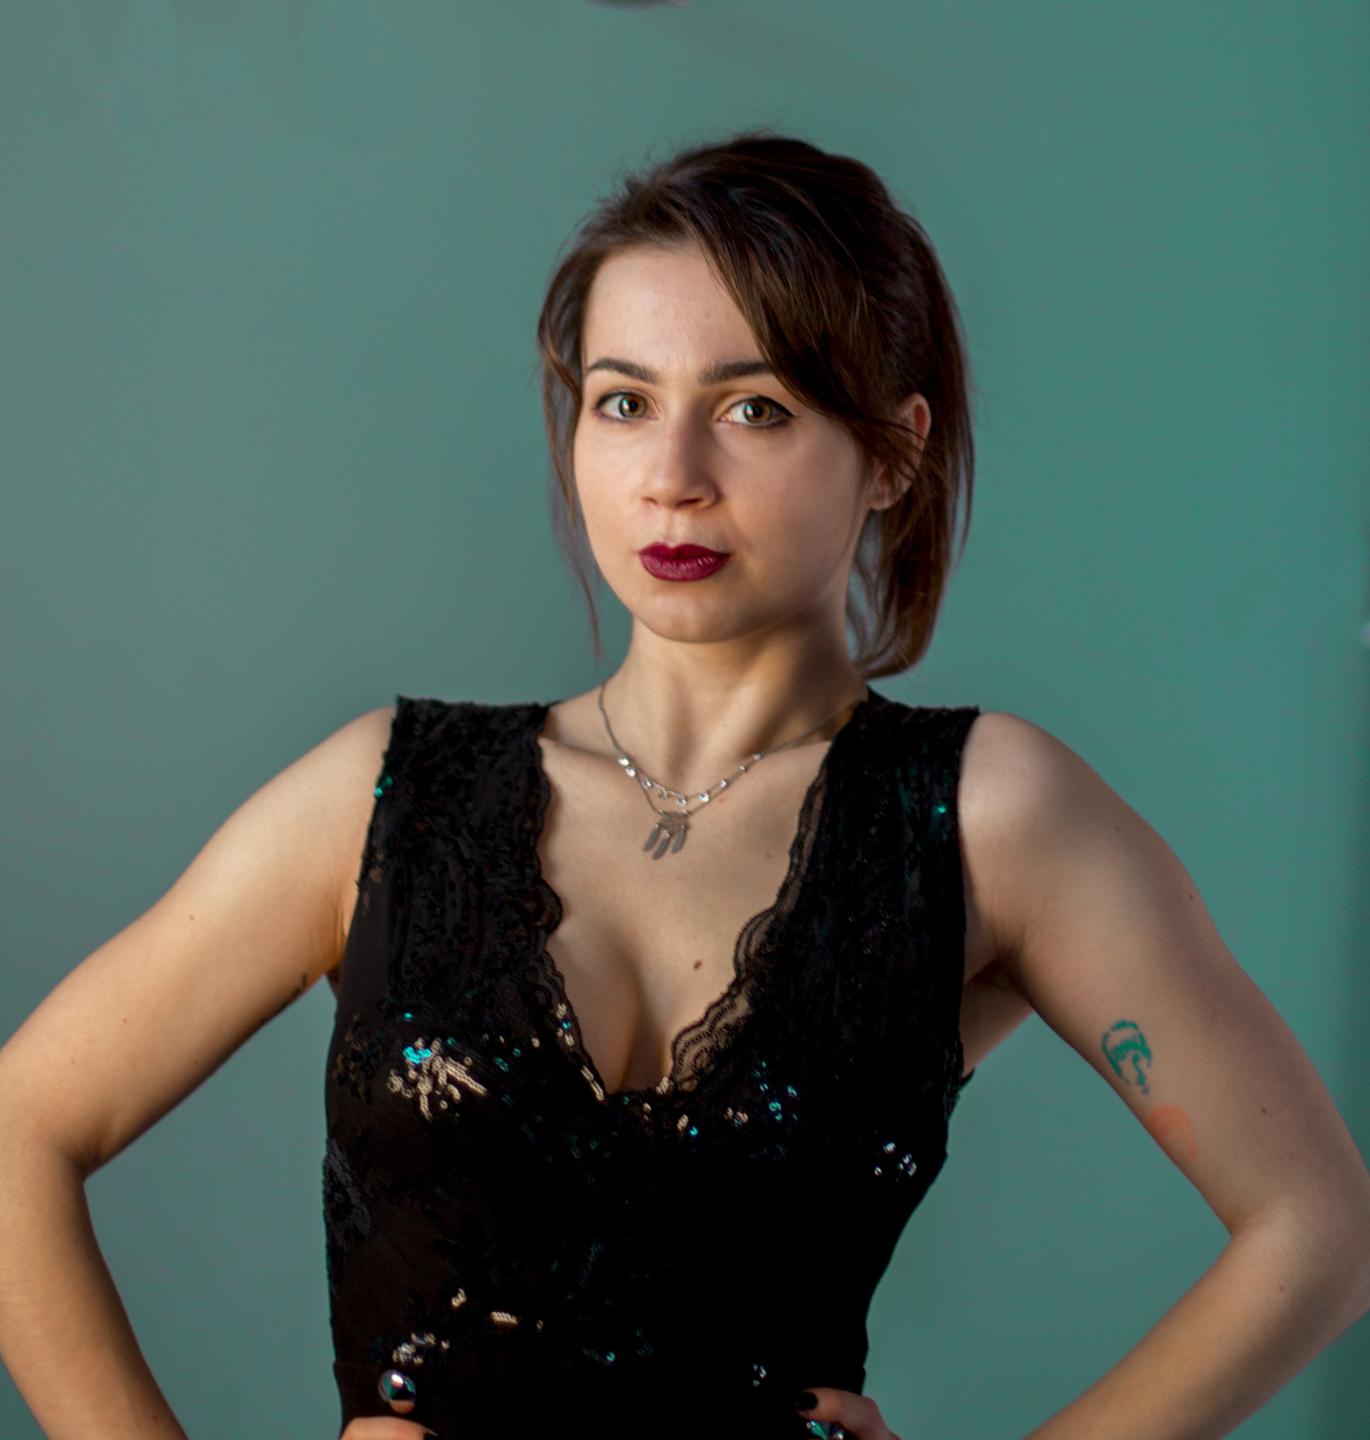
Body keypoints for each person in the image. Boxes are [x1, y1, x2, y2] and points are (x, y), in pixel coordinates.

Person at [2, 128, 1368, 1440]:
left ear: (892, 452)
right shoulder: (386, 797)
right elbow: (21, 1134)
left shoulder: (986, 818)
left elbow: (1321, 1232)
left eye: (753, 409)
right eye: (624, 402)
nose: (672, 478)